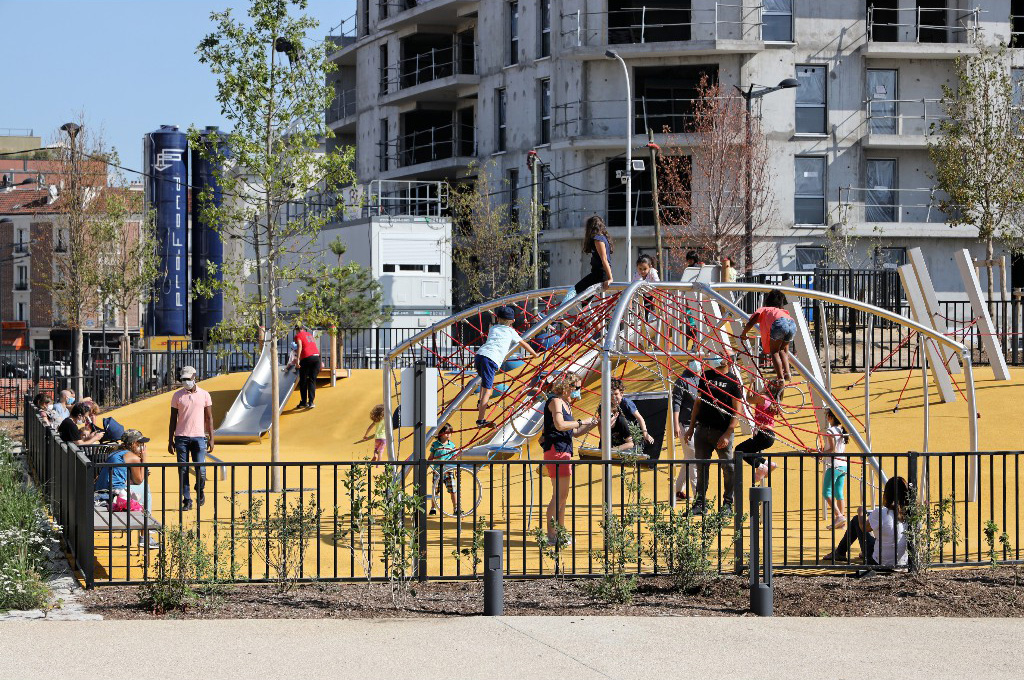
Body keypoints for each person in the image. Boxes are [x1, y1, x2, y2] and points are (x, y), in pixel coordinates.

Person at [540, 373, 599, 546]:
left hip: (564, 449)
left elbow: (571, 431)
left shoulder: (566, 404)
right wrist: (582, 421)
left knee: (563, 496)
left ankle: (560, 532)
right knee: (559, 495)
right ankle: (552, 535)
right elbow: (560, 424)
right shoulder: (556, 401)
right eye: (577, 387)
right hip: (556, 450)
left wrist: (592, 424)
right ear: (567, 387)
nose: (578, 391)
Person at [684, 355, 743, 516]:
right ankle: (700, 503)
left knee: (728, 467)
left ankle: (728, 504)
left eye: (722, 357)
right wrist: (691, 427)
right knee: (702, 466)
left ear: (729, 361)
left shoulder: (733, 381)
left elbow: (737, 411)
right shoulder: (706, 376)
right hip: (703, 429)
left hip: (721, 431)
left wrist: (727, 433)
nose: (718, 359)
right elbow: (698, 403)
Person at [822, 476, 910, 568]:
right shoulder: (910, 514)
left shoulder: (882, 512)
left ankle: (840, 552)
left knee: (857, 520)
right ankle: (842, 552)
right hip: (902, 564)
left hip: (878, 563)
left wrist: (861, 512)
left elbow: (864, 528)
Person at [474, 305, 538, 427]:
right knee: (489, 390)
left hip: (479, 355)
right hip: (491, 359)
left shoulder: (493, 328)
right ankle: (480, 420)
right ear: (513, 321)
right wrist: (534, 354)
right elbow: (523, 344)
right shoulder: (511, 331)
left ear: (497, 318)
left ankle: (480, 402)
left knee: (484, 382)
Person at [95, 429, 158, 549]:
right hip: (113, 493)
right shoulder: (131, 456)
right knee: (146, 490)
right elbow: (139, 480)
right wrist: (144, 460)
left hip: (102, 491)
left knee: (142, 489)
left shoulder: (116, 452)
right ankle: (145, 536)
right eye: (140, 444)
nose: (143, 447)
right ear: (134, 444)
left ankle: (145, 532)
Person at [168, 366, 214, 511]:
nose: (185, 382)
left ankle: (200, 489)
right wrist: (170, 440)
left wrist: (211, 437)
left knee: (201, 469)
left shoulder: (205, 395)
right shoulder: (177, 396)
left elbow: (209, 417)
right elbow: (173, 419)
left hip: (199, 437)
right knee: (183, 470)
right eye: (183, 379)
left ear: (194, 377)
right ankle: (186, 499)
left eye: (188, 379)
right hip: (181, 437)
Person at [741, 288, 796, 384]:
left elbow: (751, 322)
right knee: (783, 350)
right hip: (791, 323)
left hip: (779, 324)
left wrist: (743, 333)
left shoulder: (764, 309)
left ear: (767, 301)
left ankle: (780, 378)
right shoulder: (783, 311)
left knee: (774, 351)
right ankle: (787, 373)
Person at [735, 382, 782, 484]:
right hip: (768, 435)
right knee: (749, 452)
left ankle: (761, 467)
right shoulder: (774, 401)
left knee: (739, 450)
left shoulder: (763, 397)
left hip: (763, 434)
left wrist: (751, 384)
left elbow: (749, 399)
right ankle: (768, 464)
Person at [671, 360, 701, 502]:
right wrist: (676, 425)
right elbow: (676, 403)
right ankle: (698, 496)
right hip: (685, 425)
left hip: (696, 425)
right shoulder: (682, 381)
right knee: (693, 459)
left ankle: (677, 491)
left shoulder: (699, 378)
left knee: (688, 459)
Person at [819, 410, 850, 529]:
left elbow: (832, 449)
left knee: (826, 492)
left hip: (834, 464)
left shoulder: (830, 431)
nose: (827, 419)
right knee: (839, 492)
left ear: (832, 417)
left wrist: (820, 453)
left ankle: (839, 516)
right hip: (843, 464)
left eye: (828, 416)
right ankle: (841, 521)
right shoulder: (843, 430)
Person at [574, 215, 614, 295]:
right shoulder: (603, 238)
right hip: (598, 274)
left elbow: (604, 259)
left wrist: (610, 278)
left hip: (599, 274)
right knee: (582, 296)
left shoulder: (598, 239)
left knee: (574, 291)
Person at [609, 378, 654, 447]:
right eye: (611, 394)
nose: (613, 397)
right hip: (618, 431)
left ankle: (629, 443)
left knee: (620, 418)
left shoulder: (626, 403)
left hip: (629, 429)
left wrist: (645, 433)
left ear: (622, 393)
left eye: (616, 394)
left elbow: (639, 418)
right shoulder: (610, 404)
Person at [427, 423, 460, 515]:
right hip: (437, 471)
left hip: (448, 471)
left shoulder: (452, 445)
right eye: (447, 432)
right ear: (440, 433)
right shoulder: (435, 445)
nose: (449, 434)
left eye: (450, 432)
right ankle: (433, 507)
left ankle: (456, 508)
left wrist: (457, 469)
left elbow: (454, 457)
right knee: (435, 490)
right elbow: (431, 457)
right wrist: (426, 466)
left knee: (453, 490)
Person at [290, 325, 321, 409]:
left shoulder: (298, 335)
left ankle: (304, 402)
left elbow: (300, 346)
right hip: (316, 358)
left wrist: (297, 360)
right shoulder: (309, 335)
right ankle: (311, 402)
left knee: (303, 381)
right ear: (303, 329)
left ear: (297, 330)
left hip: (307, 358)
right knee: (312, 380)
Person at [633, 254, 660, 322]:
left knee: (654, 306)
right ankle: (641, 320)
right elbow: (634, 284)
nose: (642, 271)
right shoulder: (637, 273)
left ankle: (656, 318)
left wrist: (655, 294)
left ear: (650, 267)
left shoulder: (652, 271)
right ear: (637, 267)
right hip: (643, 293)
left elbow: (657, 282)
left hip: (653, 293)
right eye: (640, 269)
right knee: (643, 308)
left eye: (645, 269)